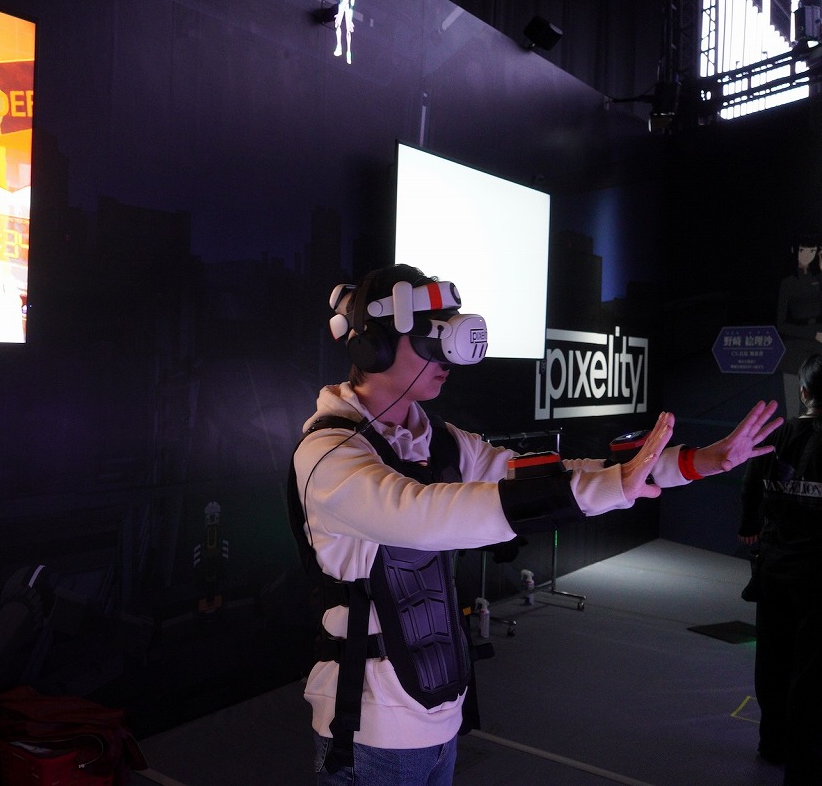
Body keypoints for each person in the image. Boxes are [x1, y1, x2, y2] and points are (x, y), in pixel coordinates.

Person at [289, 264, 782, 786]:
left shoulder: (439, 440)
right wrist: (599, 489)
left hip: (439, 709)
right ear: (376, 347)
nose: (450, 357)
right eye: (433, 338)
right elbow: (423, 515)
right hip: (368, 728)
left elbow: (544, 474)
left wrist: (693, 462)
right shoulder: (329, 453)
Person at [738, 353, 822, 783]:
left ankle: (772, 743)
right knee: (810, 670)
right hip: (818, 577)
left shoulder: (778, 434)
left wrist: (749, 526)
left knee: (771, 658)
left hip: (773, 568)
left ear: (804, 392)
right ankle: (802, 761)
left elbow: (750, 484)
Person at [775, 236, 822, 414]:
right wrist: (813, 334)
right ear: (795, 251)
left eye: (812, 251)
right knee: (794, 406)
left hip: (818, 346)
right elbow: (781, 324)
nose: (807, 255)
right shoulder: (787, 283)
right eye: (803, 250)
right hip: (795, 347)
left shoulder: (819, 280)